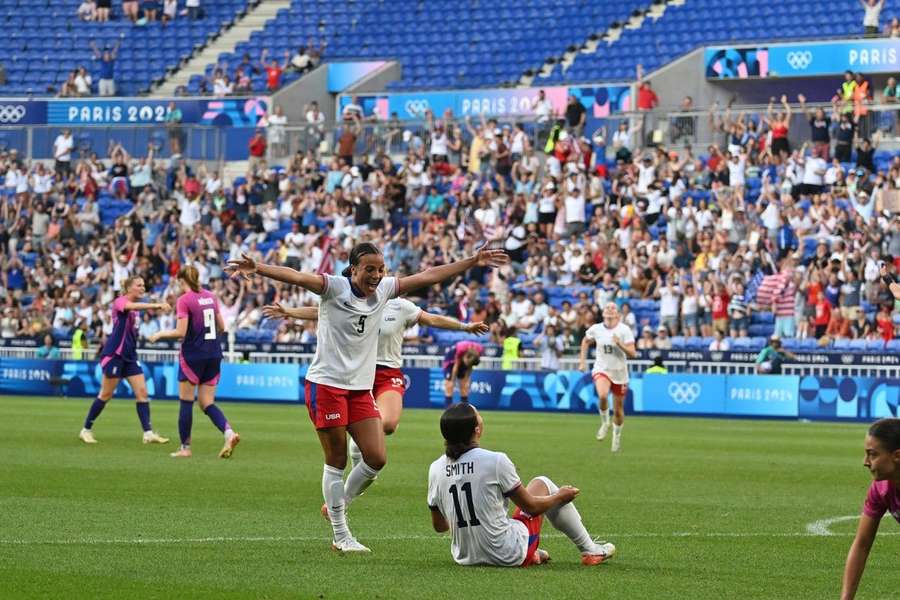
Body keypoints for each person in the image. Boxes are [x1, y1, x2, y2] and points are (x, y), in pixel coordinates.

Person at [226, 242, 508, 554]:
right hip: (327, 386)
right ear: (354, 270)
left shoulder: (387, 291)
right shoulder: (333, 287)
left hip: (359, 389)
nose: (375, 276)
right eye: (369, 270)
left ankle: (342, 502)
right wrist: (259, 268)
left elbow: (429, 276)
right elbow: (296, 276)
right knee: (336, 460)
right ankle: (340, 532)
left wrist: (473, 260)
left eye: (380, 270)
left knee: (376, 457)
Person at [262, 298, 489, 466]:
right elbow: (320, 311)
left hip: (387, 371)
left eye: (381, 272)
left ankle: (357, 441)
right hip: (359, 371)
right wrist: (289, 311)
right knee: (348, 446)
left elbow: (431, 318)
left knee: (388, 424)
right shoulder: (353, 300)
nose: (377, 277)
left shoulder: (402, 306)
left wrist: (464, 327)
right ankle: (346, 493)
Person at [427, 403, 616, 567]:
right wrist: (561, 496)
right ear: (476, 430)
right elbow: (531, 508)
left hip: (465, 557)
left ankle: (534, 554)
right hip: (507, 554)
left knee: (509, 516)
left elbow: (440, 526)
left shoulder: (435, 468)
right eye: (478, 415)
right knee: (543, 483)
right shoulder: (495, 460)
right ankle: (590, 550)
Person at [149, 266, 240, 459]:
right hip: (213, 354)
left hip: (193, 356)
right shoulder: (211, 296)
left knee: (186, 402)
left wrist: (160, 334)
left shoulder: (185, 300)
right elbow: (222, 327)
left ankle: (185, 448)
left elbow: (180, 332)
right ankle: (229, 433)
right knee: (207, 402)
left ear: (183, 281)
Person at [78, 276, 171, 445]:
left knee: (142, 393)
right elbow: (130, 307)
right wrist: (156, 305)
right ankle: (86, 430)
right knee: (106, 394)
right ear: (129, 289)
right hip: (115, 355)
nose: (143, 288)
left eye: (144, 285)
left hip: (129, 357)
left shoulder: (135, 310)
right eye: (139, 285)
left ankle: (148, 433)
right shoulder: (120, 302)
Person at [840, 418, 900, 599]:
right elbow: (861, 545)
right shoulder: (881, 489)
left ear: (897, 455)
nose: (865, 462)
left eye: (872, 454)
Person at [579, 303, 636, 452]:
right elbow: (585, 341)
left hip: (619, 372)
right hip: (602, 368)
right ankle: (605, 422)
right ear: (603, 313)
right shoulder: (596, 329)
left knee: (618, 410)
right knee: (603, 395)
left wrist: (620, 344)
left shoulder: (624, 330)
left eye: (613, 308)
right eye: (607, 308)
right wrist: (582, 362)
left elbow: (632, 353)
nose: (609, 309)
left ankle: (616, 436)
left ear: (617, 314)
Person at [443, 340, 484, 406]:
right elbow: (455, 367)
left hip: (465, 358)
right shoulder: (460, 349)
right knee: (449, 384)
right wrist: (452, 381)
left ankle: (464, 408)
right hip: (450, 360)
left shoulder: (479, 350)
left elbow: (470, 366)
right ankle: (448, 407)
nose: (467, 366)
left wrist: (467, 379)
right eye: (467, 363)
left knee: (464, 384)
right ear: (465, 356)